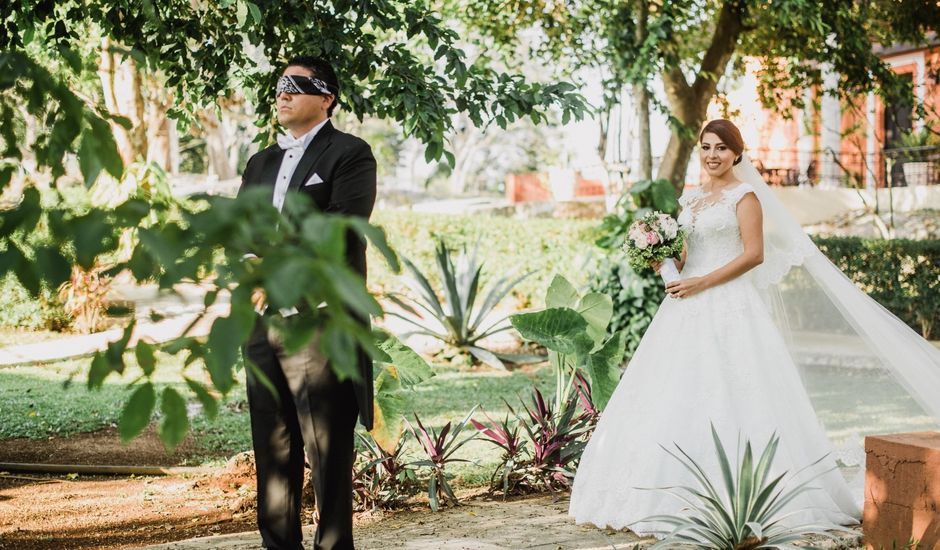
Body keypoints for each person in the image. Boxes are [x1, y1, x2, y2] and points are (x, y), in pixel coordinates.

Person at [568, 119, 940, 537]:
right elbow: (689, 256)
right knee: (674, 390)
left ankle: (752, 497)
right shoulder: (689, 200)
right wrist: (662, 261)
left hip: (729, 303)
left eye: (721, 148)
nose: (712, 155)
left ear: (737, 154)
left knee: (740, 390)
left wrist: (701, 282)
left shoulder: (744, 197)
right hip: (685, 306)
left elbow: (753, 255)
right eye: (706, 147)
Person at [238, 56, 377, 550]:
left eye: (297, 85)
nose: (283, 93)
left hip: (321, 324)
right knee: (272, 447)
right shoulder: (259, 162)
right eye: (279, 86)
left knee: (326, 450)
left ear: (327, 97)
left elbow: (339, 230)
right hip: (261, 325)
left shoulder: (351, 154)